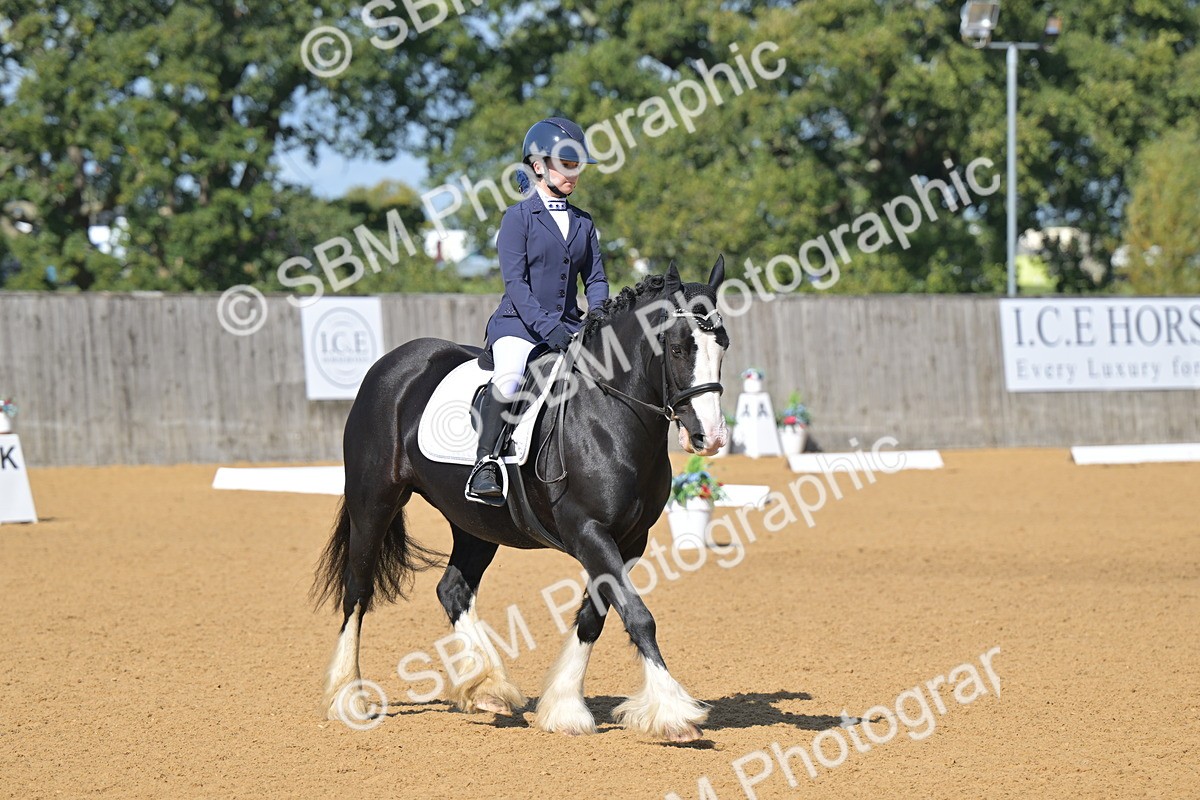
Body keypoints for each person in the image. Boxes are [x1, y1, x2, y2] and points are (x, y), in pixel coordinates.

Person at [466, 117, 610, 504]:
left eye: (577, 165)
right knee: (511, 376)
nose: (573, 173)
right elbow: (516, 285)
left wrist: (596, 316)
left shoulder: (583, 222)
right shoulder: (517, 218)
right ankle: (486, 464)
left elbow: (595, 278)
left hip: (569, 324)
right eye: (566, 164)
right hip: (520, 326)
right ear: (538, 166)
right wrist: (549, 328)